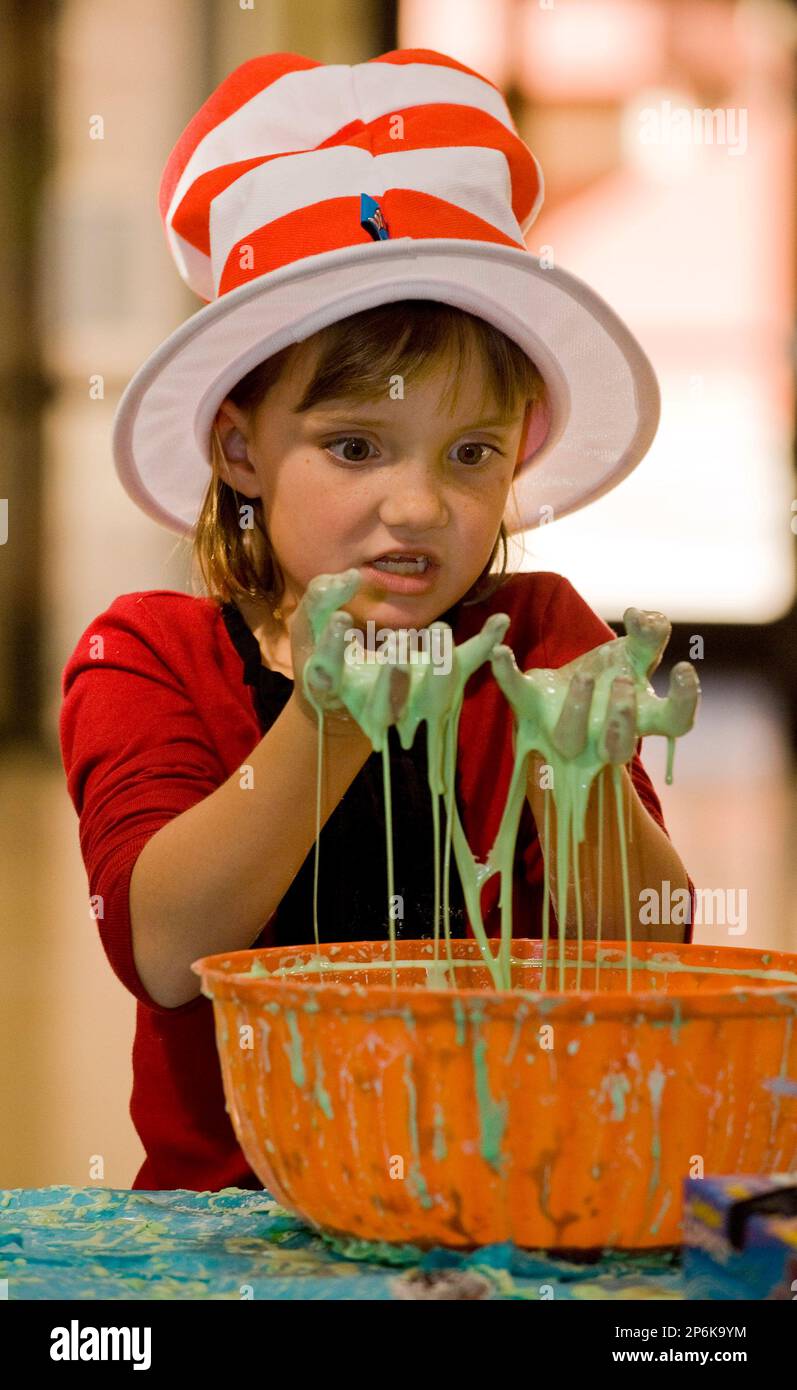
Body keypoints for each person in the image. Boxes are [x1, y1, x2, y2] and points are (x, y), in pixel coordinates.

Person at [59, 48, 695, 1192]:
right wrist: (327, 721)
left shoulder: (540, 634)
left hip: (505, 1196)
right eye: (354, 447)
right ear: (241, 448)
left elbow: (644, 947)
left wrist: (580, 774)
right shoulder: (146, 651)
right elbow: (161, 951)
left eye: (470, 455)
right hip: (235, 1221)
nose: (417, 505)